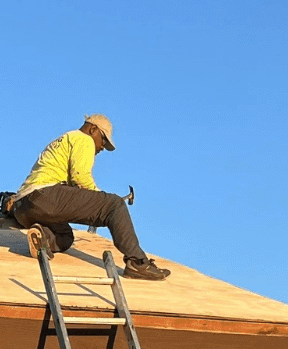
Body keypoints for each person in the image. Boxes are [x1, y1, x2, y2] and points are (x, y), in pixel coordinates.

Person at [10, 114, 170, 281]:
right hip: (46, 196)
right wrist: (102, 202)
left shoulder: (64, 139)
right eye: (103, 140)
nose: (102, 147)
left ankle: (43, 238)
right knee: (114, 205)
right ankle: (137, 263)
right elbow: (80, 178)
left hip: (25, 207)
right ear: (93, 129)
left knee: (64, 237)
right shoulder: (83, 139)